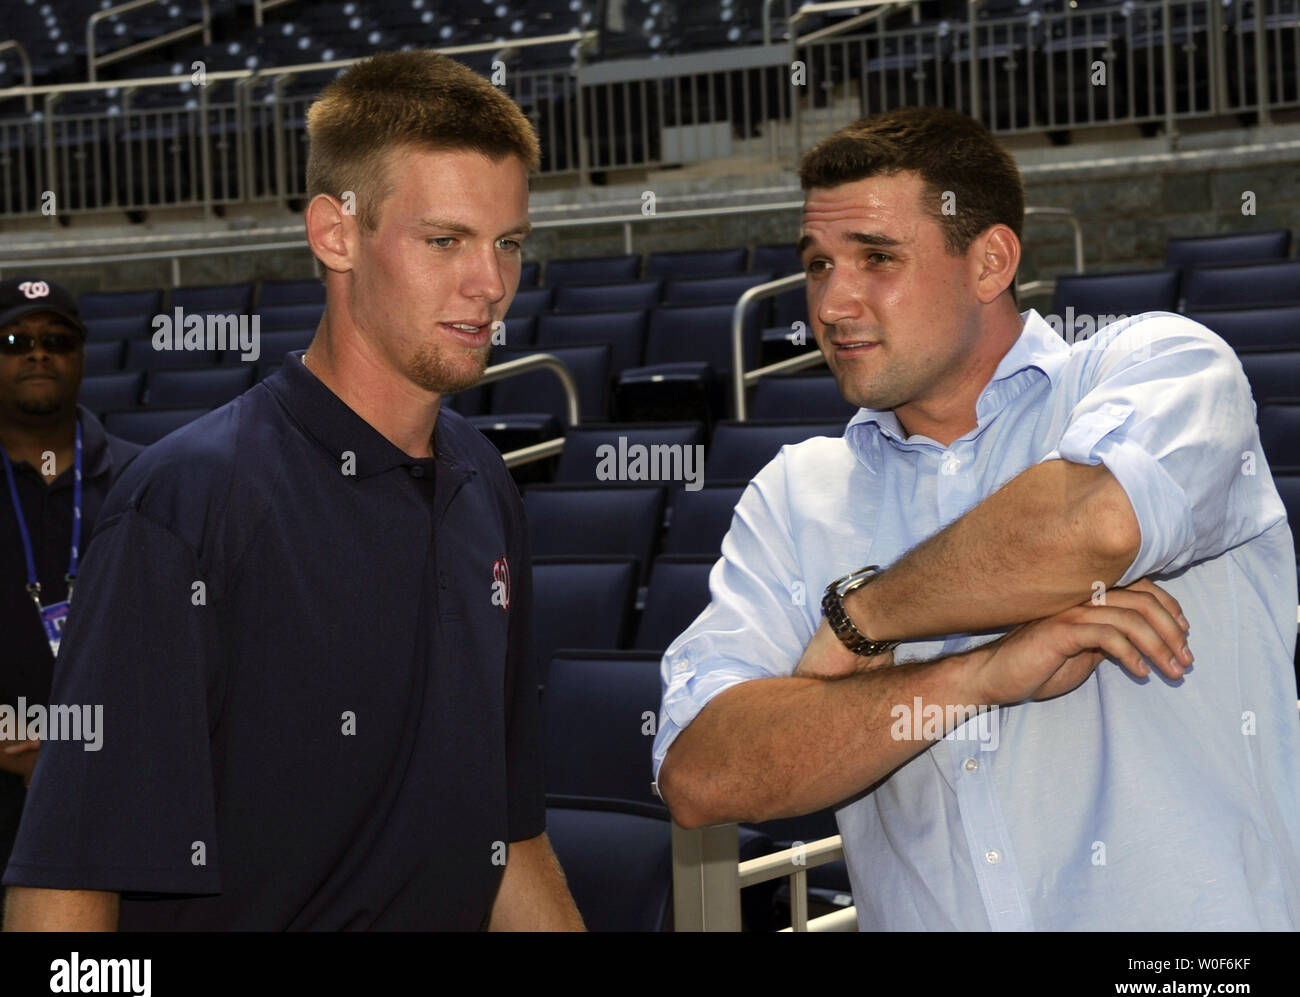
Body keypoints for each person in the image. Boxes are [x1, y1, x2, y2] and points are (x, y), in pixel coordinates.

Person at [654, 107, 1300, 930]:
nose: (832, 301)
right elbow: (702, 777)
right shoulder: (795, 495)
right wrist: (977, 674)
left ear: (990, 261)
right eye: (818, 264)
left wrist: (863, 619)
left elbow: (1095, 529)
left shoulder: (1160, 365)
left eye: (877, 258)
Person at [3, 51, 583, 931]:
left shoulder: (486, 485)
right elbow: (65, 889)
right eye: (445, 240)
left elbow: (509, 838)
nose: (491, 286)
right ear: (334, 233)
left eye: (508, 243)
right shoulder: (188, 504)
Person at [0, 278, 142, 873]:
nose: (38, 352)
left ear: (82, 355)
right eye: (15, 339)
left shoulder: (148, 479)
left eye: (58, 339)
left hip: (126, 788)